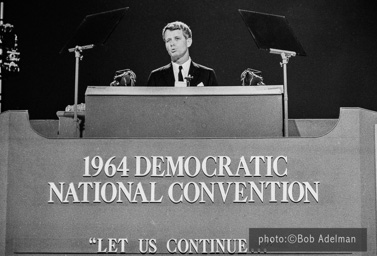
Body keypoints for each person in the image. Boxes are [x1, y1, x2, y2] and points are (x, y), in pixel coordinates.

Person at [147, 21, 218, 87]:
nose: (172, 44)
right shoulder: (155, 77)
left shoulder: (207, 75)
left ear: (188, 42)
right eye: (168, 40)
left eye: (177, 38)